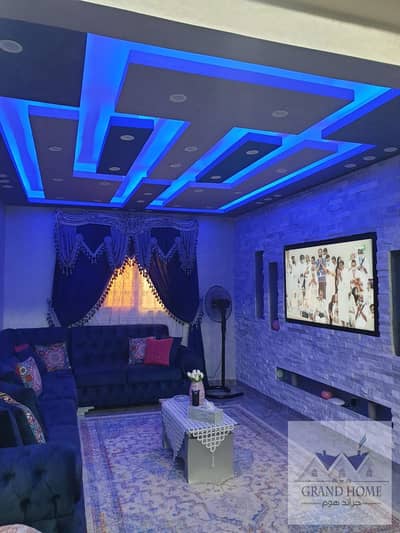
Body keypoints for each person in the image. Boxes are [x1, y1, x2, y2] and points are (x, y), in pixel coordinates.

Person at [336, 259, 350, 327]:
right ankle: (341, 323)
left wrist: (340, 275)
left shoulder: (346, 271)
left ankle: (346, 323)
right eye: (339, 265)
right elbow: (337, 283)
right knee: (340, 307)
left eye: (341, 265)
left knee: (345, 307)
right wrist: (338, 276)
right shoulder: (339, 271)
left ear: (343, 265)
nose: (340, 266)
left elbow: (345, 282)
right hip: (340, 291)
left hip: (345, 292)